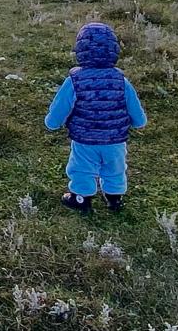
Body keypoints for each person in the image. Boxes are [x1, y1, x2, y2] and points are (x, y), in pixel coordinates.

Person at [45, 21, 147, 213]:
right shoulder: (121, 80)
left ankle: (81, 199)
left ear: (80, 50)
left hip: (85, 139)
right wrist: (139, 121)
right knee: (115, 167)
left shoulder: (74, 80)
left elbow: (61, 106)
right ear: (114, 50)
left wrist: (52, 122)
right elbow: (133, 105)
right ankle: (114, 198)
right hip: (115, 139)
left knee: (82, 168)